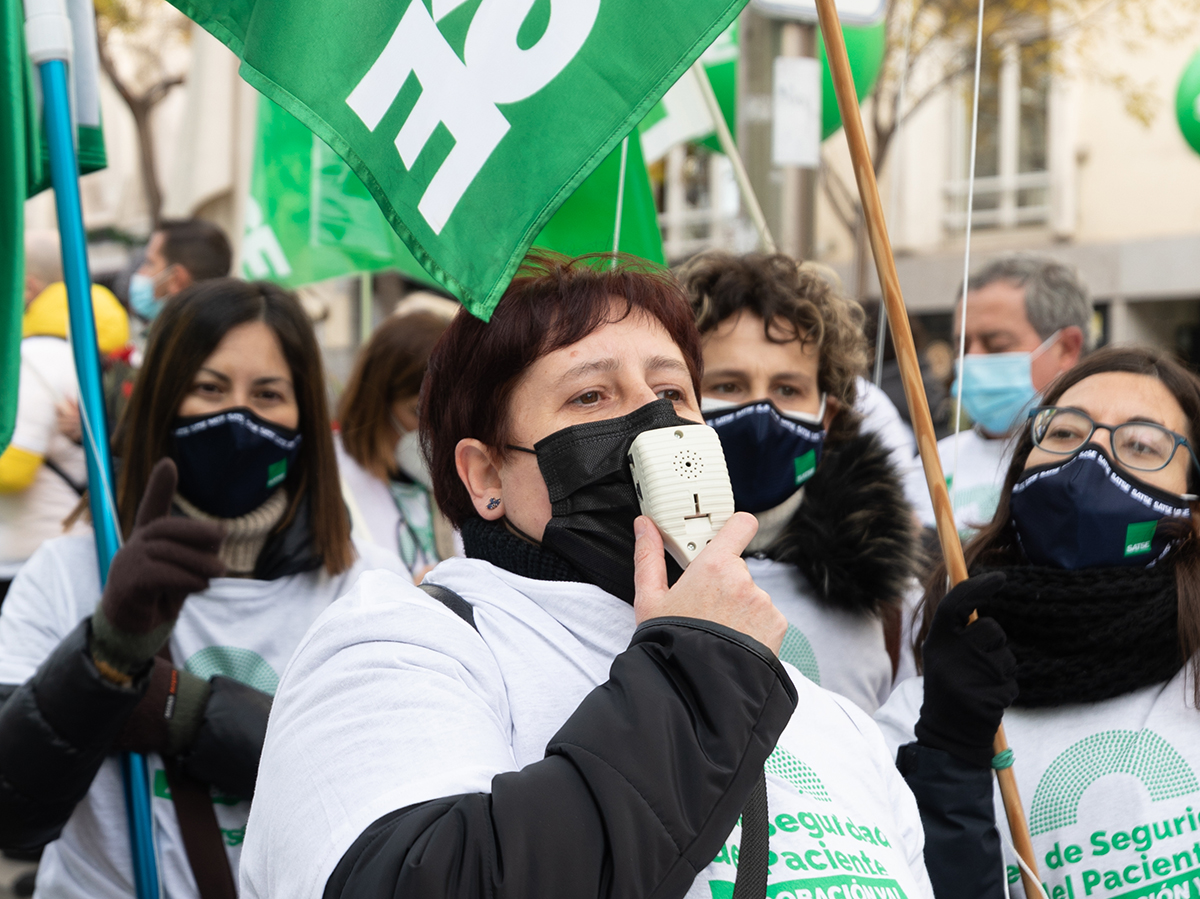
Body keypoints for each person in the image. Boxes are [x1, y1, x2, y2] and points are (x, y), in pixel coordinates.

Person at [240, 254, 935, 899]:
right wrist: (697, 672)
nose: (652, 419)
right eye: (591, 396)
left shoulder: (830, 718)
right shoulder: (400, 646)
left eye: (673, 390)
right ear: (485, 473)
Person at [0, 279, 407, 898]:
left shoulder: (367, 587)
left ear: (306, 418)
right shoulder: (66, 574)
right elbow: (13, 818)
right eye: (209, 388)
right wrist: (105, 652)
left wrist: (181, 710)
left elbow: (393, 796)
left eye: (268, 394)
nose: (237, 417)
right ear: (162, 402)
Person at [876, 345, 1200, 899]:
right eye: (1065, 433)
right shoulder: (925, 713)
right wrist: (949, 756)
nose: (1091, 457)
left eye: (1142, 444)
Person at [676, 251, 920, 713]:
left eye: (788, 390)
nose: (762, 412)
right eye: (728, 385)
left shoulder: (890, 599)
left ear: (826, 414)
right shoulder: (626, 574)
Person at [903, 254, 1089, 539]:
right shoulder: (931, 463)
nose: (971, 360)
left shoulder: (1095, 466)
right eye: (962, 345)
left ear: (1066, 348)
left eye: (997, 344)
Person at [0, 265, 130, 604]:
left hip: (26, 560)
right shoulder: (93, 367)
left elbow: (13, 468)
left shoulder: (36, 359)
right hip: (79, 548)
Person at [336, 309, 460, 578]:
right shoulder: (331, 477)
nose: (434, 433)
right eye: (417, 412)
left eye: (445, 416)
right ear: (375, 404)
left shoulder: (462, 481)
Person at [129, 218, 233, 324]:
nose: (141, 272)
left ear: (176, 279)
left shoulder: (183, 337)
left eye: (150, 263)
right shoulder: (220, 329)